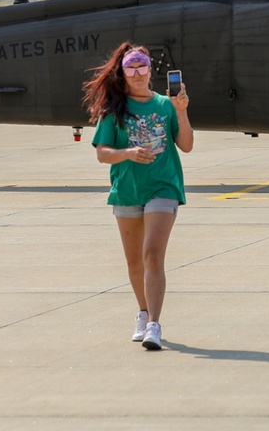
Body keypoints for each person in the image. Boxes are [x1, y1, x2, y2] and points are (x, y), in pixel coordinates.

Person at [82, 43, 194, 350]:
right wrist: (128, 153)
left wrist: (182, 113)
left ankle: (154, 325)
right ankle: (143, 314)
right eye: (131, 68)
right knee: (134, 263)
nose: (137, 73)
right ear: (122, 73)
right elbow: (103, 154)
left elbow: (186, 145)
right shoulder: (114, 110)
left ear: (150, 70)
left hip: (163, 186)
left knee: (152, 254)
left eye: (142, 66)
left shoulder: (166, 104)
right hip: (127, 189)